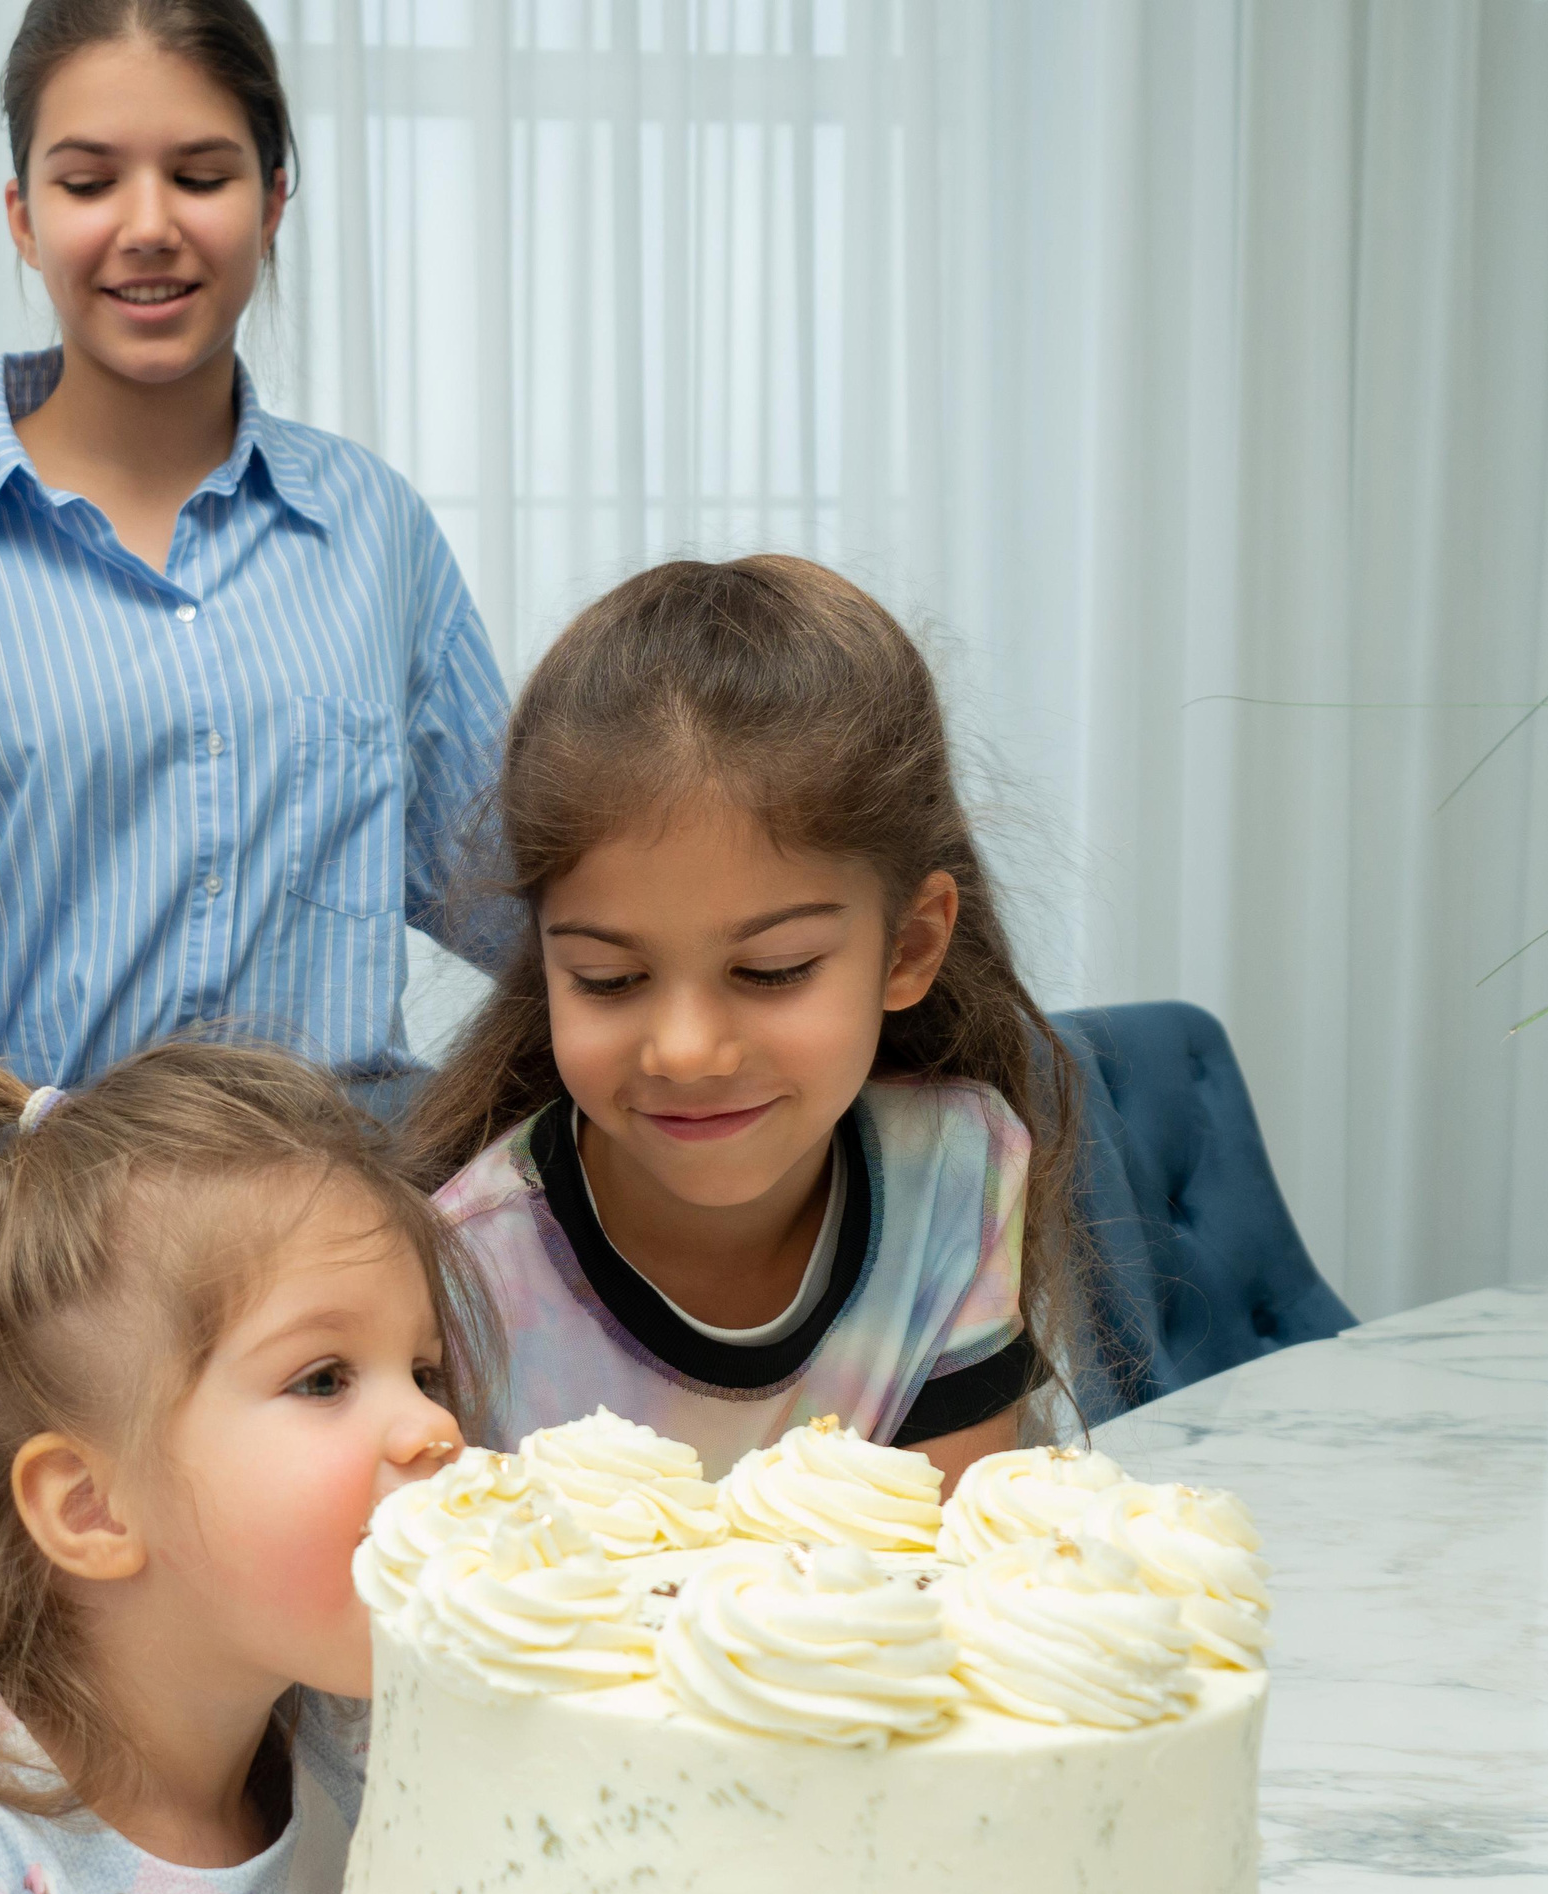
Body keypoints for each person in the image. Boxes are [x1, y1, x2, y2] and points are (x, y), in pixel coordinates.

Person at [0, 0, 508, 1120]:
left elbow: (523, 909)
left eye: (200, 175)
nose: (148, 226)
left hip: (343, 1251)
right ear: (22, 217)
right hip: (32, 1273)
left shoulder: (376, 528)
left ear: (274, 202)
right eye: (88, 184)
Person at [0, 1038, 491, 1894]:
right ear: (94, 1508)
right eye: (323, 1379)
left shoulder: (366, 1751)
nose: (436, 1428)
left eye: (425, 1372)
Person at [404, 556, 1085, 1480]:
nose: (685, 1052)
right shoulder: (458, 1277)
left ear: (911, 947)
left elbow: (944, 1574)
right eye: (608, 978)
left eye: (772, 971)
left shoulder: (955, 1175)